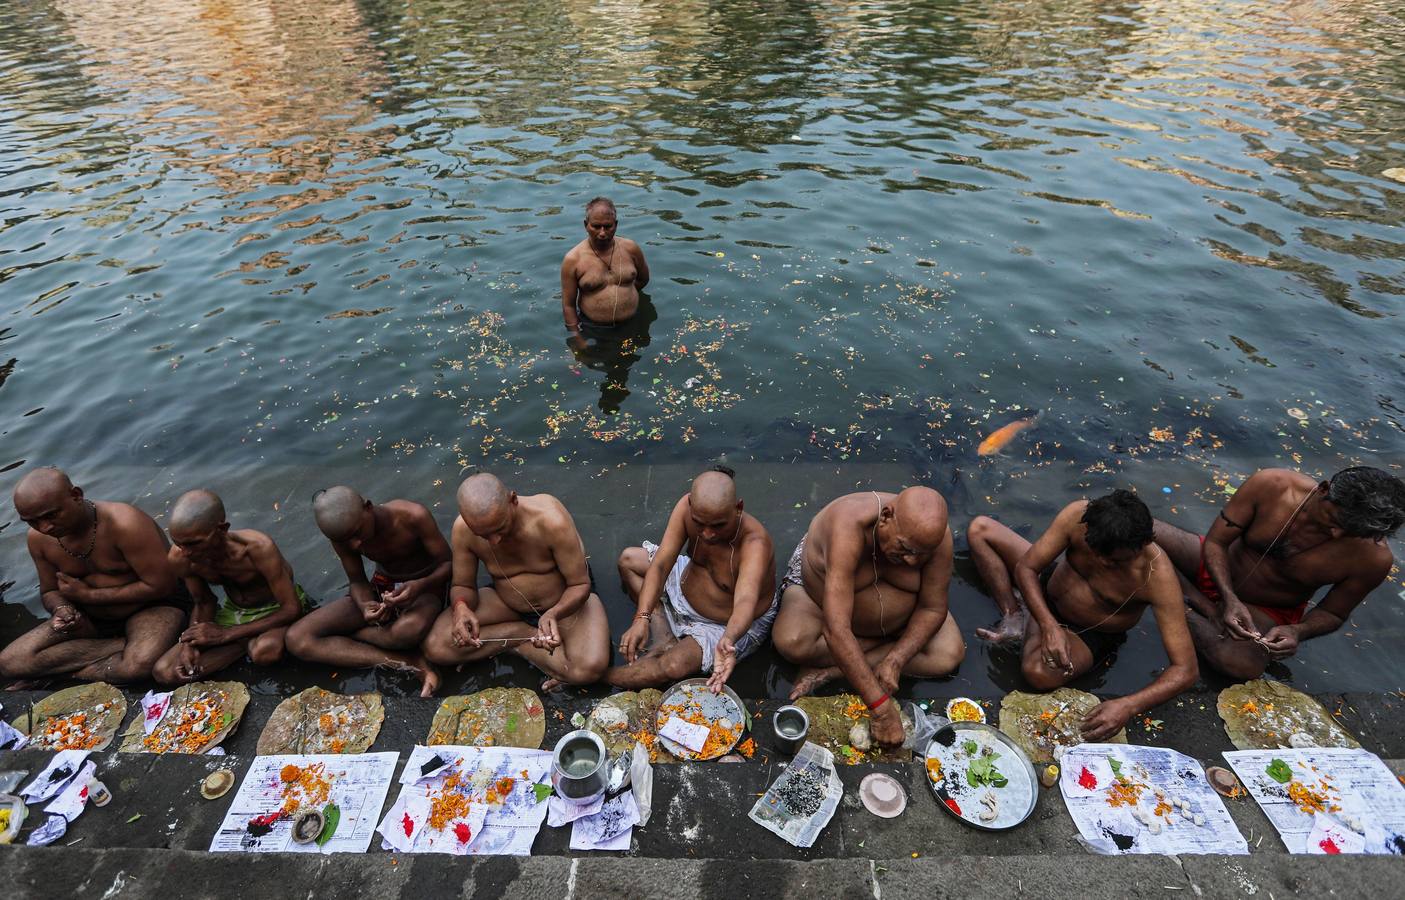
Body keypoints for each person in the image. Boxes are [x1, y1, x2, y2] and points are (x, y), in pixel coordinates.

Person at [968, 490, 1198, 740]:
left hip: (1087, 632)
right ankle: (1015, 613)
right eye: (1095, 551)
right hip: (1049, 588)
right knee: (980, 529)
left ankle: (1030, 614)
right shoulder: (1077, 515)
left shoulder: (1157, 575)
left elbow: (1185, 670)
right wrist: (1048, 625)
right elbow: (1027, 567)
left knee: (1037, 673)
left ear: (1140, 546)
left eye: (1115, 561)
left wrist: (1128, 705)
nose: (1102, 562)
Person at [1155, 466, 1404, 679]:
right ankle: (1198, 602)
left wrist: (1298, 631)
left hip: (1264, 610)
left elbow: (1333, 613)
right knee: (1137, 529)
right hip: (1215, 565)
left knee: (1241, 665)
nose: (1336, 534)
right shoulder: (1273, 485)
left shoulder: (1374, 558)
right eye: (1334, 521)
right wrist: (1229, 598)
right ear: (1323, 489)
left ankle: (1175, 601)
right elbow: (1216, 543)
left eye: (1351, 532)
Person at [772, 487, 965, 747]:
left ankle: (835, 669)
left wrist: (897, 659)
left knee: (949, 654)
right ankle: (858, 659)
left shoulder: (934, 538)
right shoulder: (848, 525)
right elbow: (836, 629)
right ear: (885, 516)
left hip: (898, 621)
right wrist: (881, 709)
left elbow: (932, 609)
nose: (910, 562)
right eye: (905, 548)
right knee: (792, 641)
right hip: (822, 601)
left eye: (920, 555)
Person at [422, 473, 610, 689]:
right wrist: (461, 608)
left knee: (589, 668)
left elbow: (579, 584)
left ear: (513, 500)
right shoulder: (463, 530)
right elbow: (462, 586)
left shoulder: (550, 519)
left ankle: (509, 645)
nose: (494, 541)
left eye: (500, 528)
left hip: (564, 603)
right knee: (436, 646)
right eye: (484, 535)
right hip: (506, 601)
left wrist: (553, 613)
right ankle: (521, 637)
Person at [1, 467, 185, 687]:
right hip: (90, 621)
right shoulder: (38, 539)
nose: (45, 527)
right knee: (9, 662)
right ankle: (122, 648)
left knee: (139, 664)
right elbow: (50, 591)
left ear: (76, 495)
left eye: (51, 515)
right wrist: (62, 610)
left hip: (150, 608)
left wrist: (89, 595)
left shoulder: (126, 524)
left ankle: (63, 674)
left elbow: (162, 586)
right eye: (32, 521)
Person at [607, 466, 777, 692]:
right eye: (699, 523)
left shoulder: (755, 544)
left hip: (723, 625)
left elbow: (745, 602)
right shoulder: (686, 508)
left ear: (739, 508)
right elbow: (660, 565)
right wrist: (642, 617)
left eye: (718, 525)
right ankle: (663, 634)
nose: (707, 534)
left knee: (673, 666)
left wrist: (728, 639)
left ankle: (598, 676)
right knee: (629, 560)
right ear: (690, 505)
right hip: (685, 583)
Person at [286, 487, 449, 697]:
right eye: (345, 540)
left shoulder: (412, 516)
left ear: (368, 507)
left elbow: (448, 565)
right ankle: (407, 662)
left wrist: (419, 586)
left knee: (406, 631)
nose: (354, 544)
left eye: (356, 533)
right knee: (297, 639)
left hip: (426, 587)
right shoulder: (343, 536)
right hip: (383, 586)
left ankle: (352, 635)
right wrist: (365, 606)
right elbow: (357, 581)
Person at [150, 490, 308, 686]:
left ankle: (242, 641)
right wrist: (189, 644)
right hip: (236, 611)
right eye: (179, 543)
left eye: (194, 543)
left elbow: (291, 609)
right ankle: (244, 642)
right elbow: (204, 602)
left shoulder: (257, 548)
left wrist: (226, 634)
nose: (187, 552)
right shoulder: (181, 558)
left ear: (222, 529)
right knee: (164, 671)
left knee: (265, 652)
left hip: (275, 609)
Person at [560, 196, 650, 334]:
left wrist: (624, 296)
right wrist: (576, 338)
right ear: (586, 225)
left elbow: (643, 279)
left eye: (608, 226)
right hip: (593, 328)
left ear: (616, 224)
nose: (602, 233)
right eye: (596, 226)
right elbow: (568, 306)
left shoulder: (631, 249)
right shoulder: (573, 259)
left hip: (633, 323)